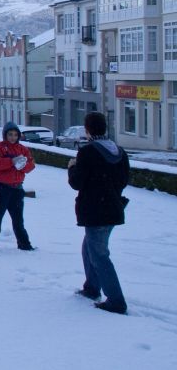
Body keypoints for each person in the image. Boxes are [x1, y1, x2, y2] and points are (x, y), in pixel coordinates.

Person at [68, 112, 130, 315]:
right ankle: (91, 287)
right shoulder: (119, 152)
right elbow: (124, 180)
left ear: (88, 130)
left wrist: (72, 168)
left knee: (99, 255)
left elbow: (77, 182)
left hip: (95, 210)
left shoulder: (87, 153)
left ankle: (116, 300)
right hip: (113, 207)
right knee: (89, 247)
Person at [0, 122, 36, 254]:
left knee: (18, 220)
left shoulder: (23, 149)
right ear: (5, 135)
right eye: (10, 134)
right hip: (2, 188)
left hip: (17, 189)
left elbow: (31, 165)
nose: (13, 137)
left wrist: (23, 165)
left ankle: (24, 245)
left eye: (15, 135)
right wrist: (11, 162)